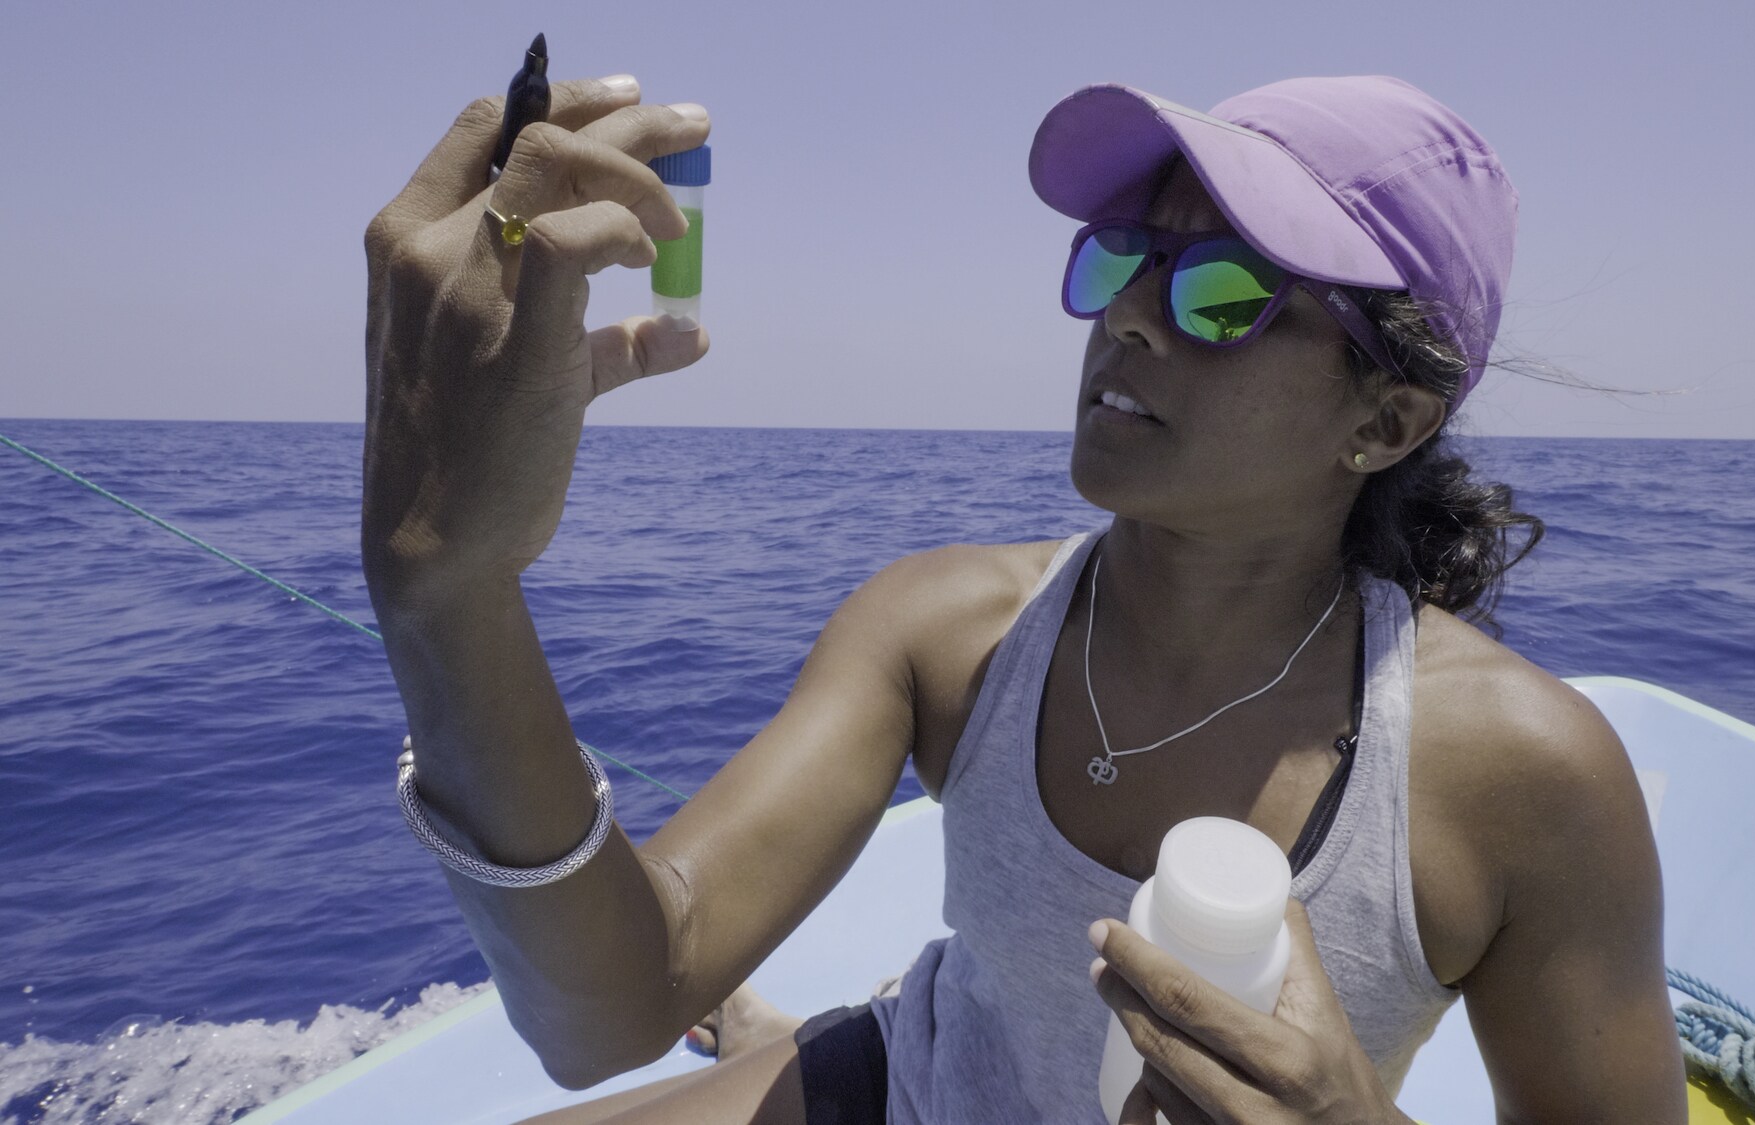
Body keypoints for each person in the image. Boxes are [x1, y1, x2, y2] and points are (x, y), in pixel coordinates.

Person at [361, 70, 1687, 1125]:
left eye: (1224, 290)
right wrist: (445, 583)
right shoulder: (947, 628)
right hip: (903, 1081)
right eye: (1120, 258)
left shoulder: (1528, 774)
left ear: (1385, 421)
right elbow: (609, 1006)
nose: (1131, 320)